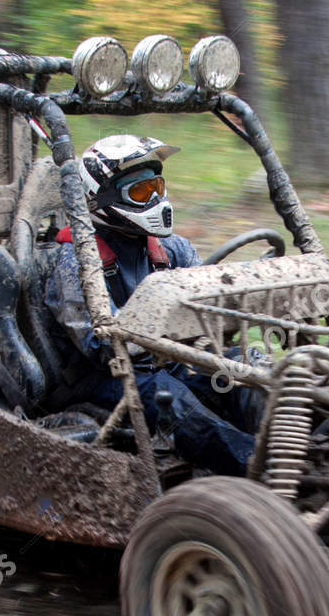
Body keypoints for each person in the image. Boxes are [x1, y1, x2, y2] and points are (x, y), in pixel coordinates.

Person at [42, 134, 262, 474]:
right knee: (166, 392)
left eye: (157, 187)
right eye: (142, 193)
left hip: (163, 363)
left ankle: (286, 445)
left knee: (242, 366)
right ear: (101, 199)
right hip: (102, 378)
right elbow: (103, 343)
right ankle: (255, 467)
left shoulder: (170, 249)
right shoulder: (77, 260)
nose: (157, 200)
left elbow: (211, 295)